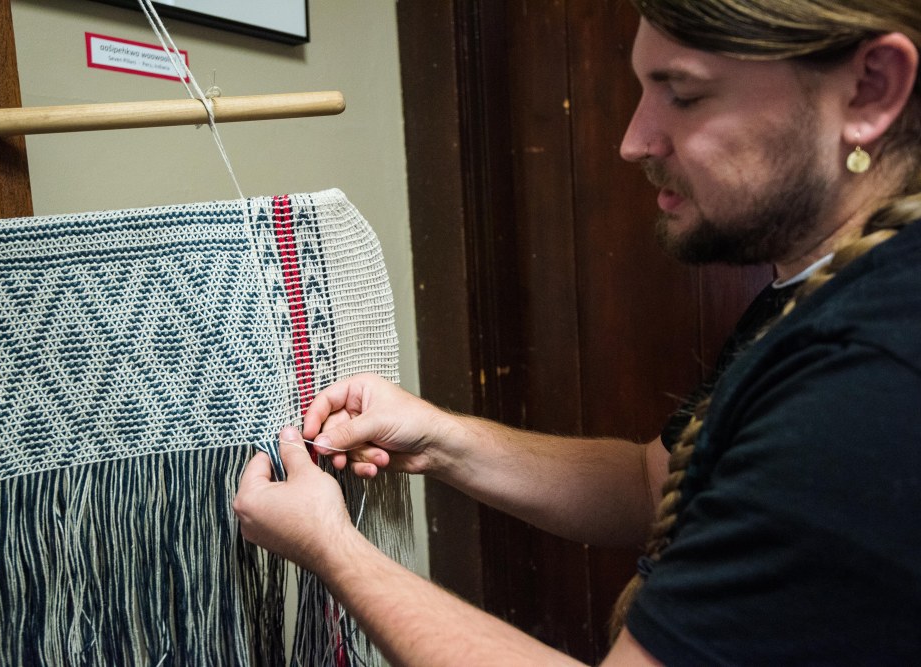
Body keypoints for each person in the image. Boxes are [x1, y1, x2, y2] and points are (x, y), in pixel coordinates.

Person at [233, 1, 921, 664]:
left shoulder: (870, 374)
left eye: (684, 95)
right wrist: (439, 437)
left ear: (871, 88)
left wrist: (334, 548)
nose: (634, 140)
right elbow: (651, 484)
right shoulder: (819, 290)